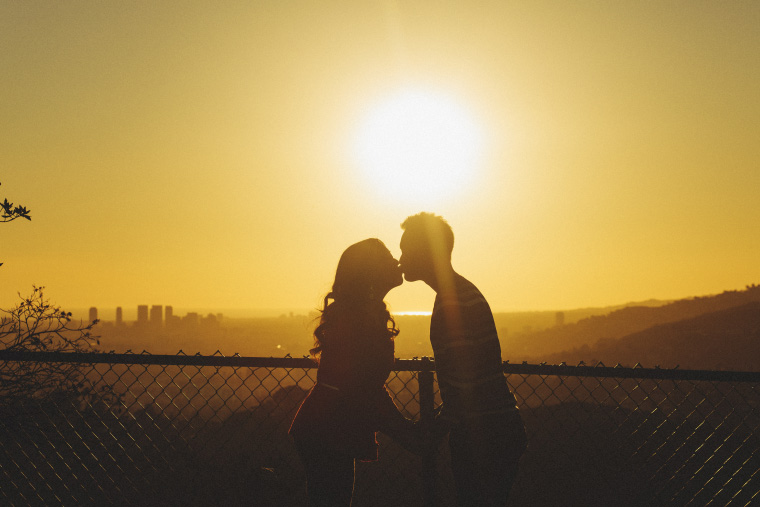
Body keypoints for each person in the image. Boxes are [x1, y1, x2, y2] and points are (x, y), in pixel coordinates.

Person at [399, 212, 527, 507]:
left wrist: (436, 429)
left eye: (406, 250)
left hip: (484, 435)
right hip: (495, 427)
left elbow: (465, 381)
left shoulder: (451, 301)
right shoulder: (458, 293)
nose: (401, 258)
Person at [289, 238, 420, 507]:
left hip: (328, 426)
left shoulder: (365, 313)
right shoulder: (357, 318)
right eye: (387, 258)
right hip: (326, 429)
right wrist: (405, 432)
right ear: (370, 273)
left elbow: (367, 386)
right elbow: (361, 388)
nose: (396, 261)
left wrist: (405, 431)